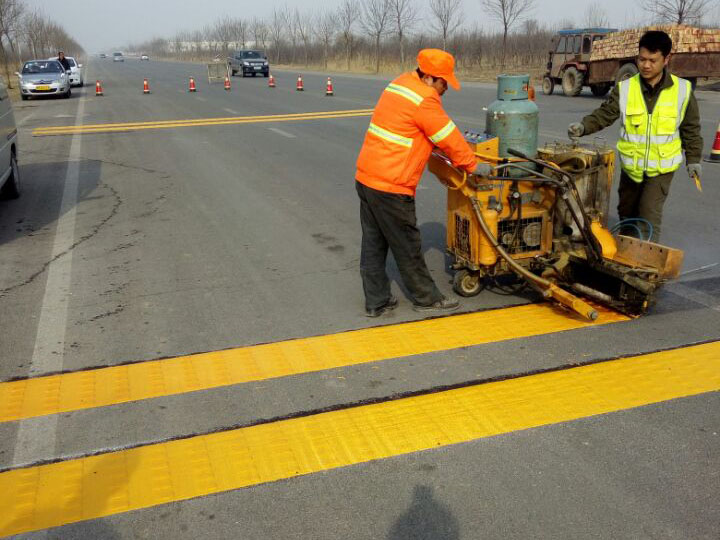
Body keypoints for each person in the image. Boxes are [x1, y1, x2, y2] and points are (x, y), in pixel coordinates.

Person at [355, 49, 491, 317]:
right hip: (391, 185)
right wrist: (474, 166)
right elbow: (448, 137)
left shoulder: (400, 83)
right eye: (444, 82)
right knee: (408, 244)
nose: (445, 88)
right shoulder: (425, 99)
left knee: (373, 244)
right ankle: (426, 298)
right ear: (429, 77)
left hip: (367, 177)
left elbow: (412, 129)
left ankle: (376, 301)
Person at [568, 30, 703, 242]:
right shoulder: (626, 88)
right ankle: (626, 253)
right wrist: (583, 126)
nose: (646, 65)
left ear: (666, 59)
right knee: (627, 215)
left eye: (652, 60)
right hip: (631, 168)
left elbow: (691, 129)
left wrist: (693, 159)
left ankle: (646, 259)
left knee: (648, 217)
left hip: (661, 169)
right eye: (642, 59)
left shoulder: (682, 90)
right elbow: (605, 114)